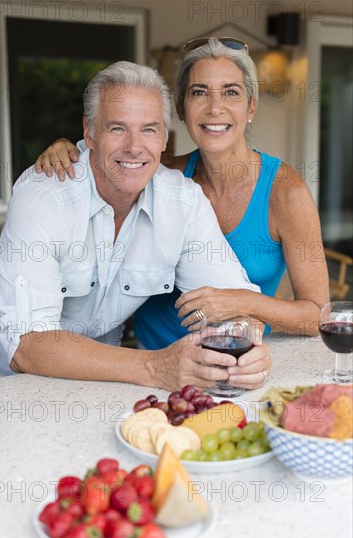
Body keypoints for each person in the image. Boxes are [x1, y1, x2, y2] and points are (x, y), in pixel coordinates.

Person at [0, 61, 271, 390]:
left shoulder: (183, 203)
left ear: (165, 136)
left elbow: (234, 302)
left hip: (101, 382)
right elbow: (26, 345)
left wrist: (248, 346)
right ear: (90, 133)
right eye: (117, 128)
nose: (134, 147)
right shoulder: (44, 197)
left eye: (149, 129)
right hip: (6, 389)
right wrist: (154, 366)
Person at [35, 38, 329, 349]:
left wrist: (240, 301)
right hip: (146, 362)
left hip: (235, 358)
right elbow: (110, 157)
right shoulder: (160, 176)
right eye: (199, 92)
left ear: (251, 106)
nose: (215, 108)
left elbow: (316, 316)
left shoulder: (286, 193)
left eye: (231, 92)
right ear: (181, 108)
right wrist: (71, 151)